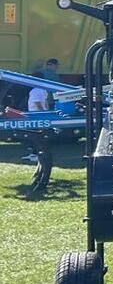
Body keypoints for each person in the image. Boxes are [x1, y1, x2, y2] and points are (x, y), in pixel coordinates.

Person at [23, 59, 60, 200]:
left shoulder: (37, 90)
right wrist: (45, 118)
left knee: (42, 147)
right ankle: (40, 170)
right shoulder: (38, 90)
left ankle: (39, 169)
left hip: (38, 119)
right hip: (37, 119)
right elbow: (39, 105)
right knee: (42, 146)